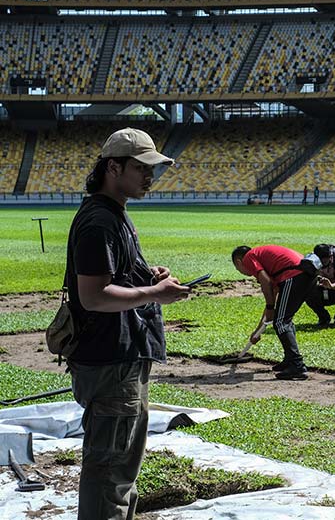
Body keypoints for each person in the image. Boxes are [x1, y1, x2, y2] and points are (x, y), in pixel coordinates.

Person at [64, 128, 191, 520]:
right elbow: (94, 296)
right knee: (110, 471)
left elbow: (114, 277)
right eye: (141, 168)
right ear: (113, 168)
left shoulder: (112, 213)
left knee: (121, 469)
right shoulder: (100, 222)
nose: (149, 177)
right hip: (111, 362)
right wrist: (154, 293)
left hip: (120, 359)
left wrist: (147, 276)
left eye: (152, 169)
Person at [232, 245, 320, 380]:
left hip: (295, 276)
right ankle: (290, 360)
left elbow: (265, 282)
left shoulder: (249, 257)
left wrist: (270, 307)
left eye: (238, 269)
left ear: (239, 262)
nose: (242, 272)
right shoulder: (268, 263)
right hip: (307, 276)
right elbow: (273, 294)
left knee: (281, 322)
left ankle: (296, 365)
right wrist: (257, 330)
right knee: (284, 320)